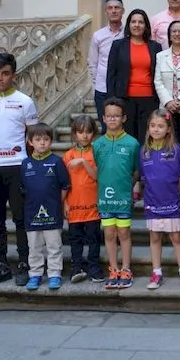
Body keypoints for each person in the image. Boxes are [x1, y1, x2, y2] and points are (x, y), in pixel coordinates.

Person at [0, 52, 39, 287]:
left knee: (21, 218)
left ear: (14, 75)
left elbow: (32, 138)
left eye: (5, 74)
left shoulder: (25, 101)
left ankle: (24, 263)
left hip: (17, 167)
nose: (0, 78)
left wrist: (22, 160)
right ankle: (1, 264)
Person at [138, 109, 180, 290]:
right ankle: (156, 272)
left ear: (168, 129)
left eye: (160, 126)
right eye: (152, 126)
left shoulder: (176, 150)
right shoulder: (144, 151)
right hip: (152, 202)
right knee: (155, 238)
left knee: (176, 237)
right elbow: (143, 177)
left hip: (171, 202)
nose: (156, 129)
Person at [93, 97, 141, 289]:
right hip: (105, 198)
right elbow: (97, 169)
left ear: (124, 118)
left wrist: (131, 186)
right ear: (103, 118)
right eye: (109, 116)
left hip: (123, 197)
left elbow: (136, 170)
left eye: (116, 116)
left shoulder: (132, 143)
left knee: (123, 233)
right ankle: (113, 268)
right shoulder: (98, 144)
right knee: (110, 233)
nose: (112, 120)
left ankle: (126, 268)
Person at [20, 123, 70, 291]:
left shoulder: (56, 162)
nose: (42, 143)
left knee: (54, 246)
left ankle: (55, 274)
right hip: (32, 213)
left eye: (46, 139)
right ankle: (35, 274)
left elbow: (65, 186)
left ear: (51, 141)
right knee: (34, 247)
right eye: (38, 139)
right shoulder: (25, 164)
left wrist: (58, 203)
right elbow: (21, 190)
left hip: (53, 213)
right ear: (30, 142)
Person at [106, 9, 162, 143]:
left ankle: (144, 163)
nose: (137, 25)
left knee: (147, 137)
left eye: (141, 22)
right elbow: (111, 74)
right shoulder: (118, 45)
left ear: (146, 26)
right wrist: (111, 101)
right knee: (127, 137)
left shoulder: (155, 47)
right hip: (125, 99)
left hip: (149, 99)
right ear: (129, 25)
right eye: (133, 22)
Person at [62, 115, 104, 284]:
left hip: (92, 205)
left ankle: (94, 266)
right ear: (74, 134)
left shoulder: (96, 152)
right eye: (80, 132)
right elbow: (64, 184)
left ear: (93, 134)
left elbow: (96, 176)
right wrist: (64, 203)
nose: (84, 136)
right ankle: (76, 266)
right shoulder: (67, 155)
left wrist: (83, 162)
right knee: (75, 239)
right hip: (74, 206)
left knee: (94, 238)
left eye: (88, 132)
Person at [87, 0, 125, 132]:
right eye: (110, 8)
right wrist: (97, 82)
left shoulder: (128, 34)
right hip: (102, 89)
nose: (114, 11)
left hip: (123, 89)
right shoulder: (98, 35)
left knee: (123, 127)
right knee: (106, 127)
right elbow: (93, 63)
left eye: (117, 8)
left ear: (123, 11)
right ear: (106, 11)